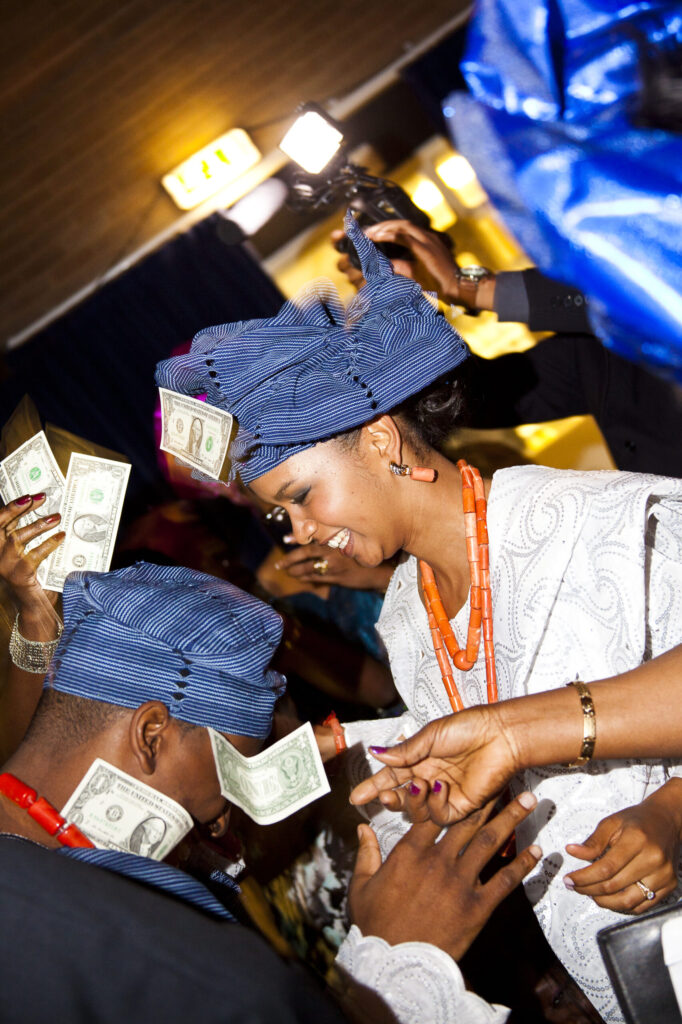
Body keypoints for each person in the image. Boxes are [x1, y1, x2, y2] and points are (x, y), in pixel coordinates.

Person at [156, 213, 682, 1023]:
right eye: (279, 519)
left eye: (299, 498)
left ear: (379, 440)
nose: (299, 534)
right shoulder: (406, 616)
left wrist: (675, 814)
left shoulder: (603, 520)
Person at [0, 517, 541, 1024]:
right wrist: (393, 963)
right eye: (237, 766)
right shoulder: (125, 944)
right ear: (150, 735)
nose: (225, 820)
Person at [342, 219, 682, 478]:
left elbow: (628, 295)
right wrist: (408, 309)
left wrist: (466, 285)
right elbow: (489, 398)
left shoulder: (650, 290)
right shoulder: (594, 351)